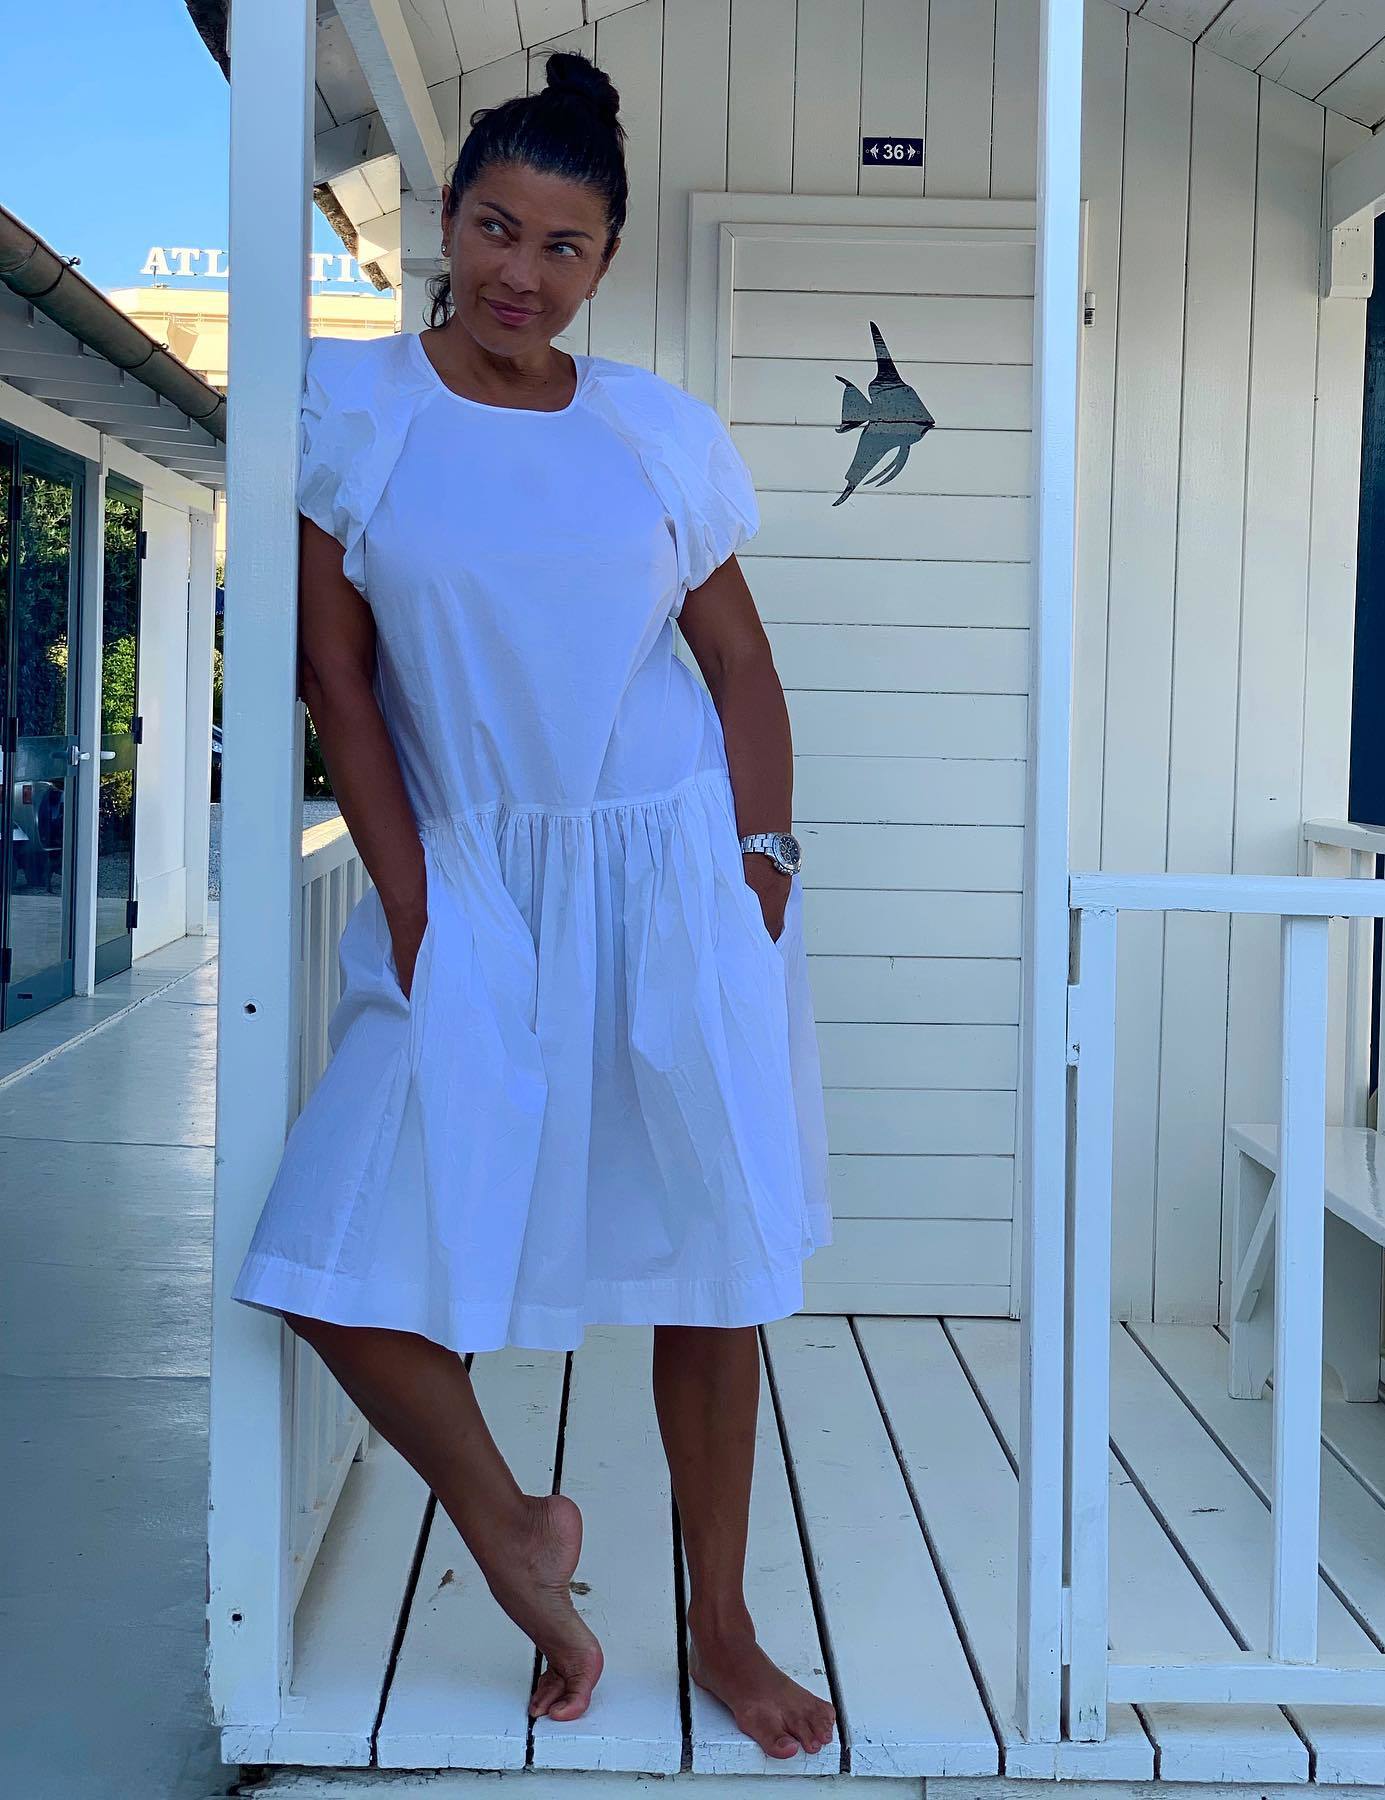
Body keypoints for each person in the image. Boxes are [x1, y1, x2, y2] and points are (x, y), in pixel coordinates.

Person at [229, 47, 836, 1764]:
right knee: (331, 1253)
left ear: (605, 260)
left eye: (563, 246)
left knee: (715, 1264)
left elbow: (741, 669)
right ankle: (514, 1531)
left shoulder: (655, 432)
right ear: (449, 216)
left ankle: (723, 1624)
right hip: (476, 875)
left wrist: (760, 868)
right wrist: (417, 907)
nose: (521, 272)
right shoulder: (355, 410)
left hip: (677, 872)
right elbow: (339, 683)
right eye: (497, 228)